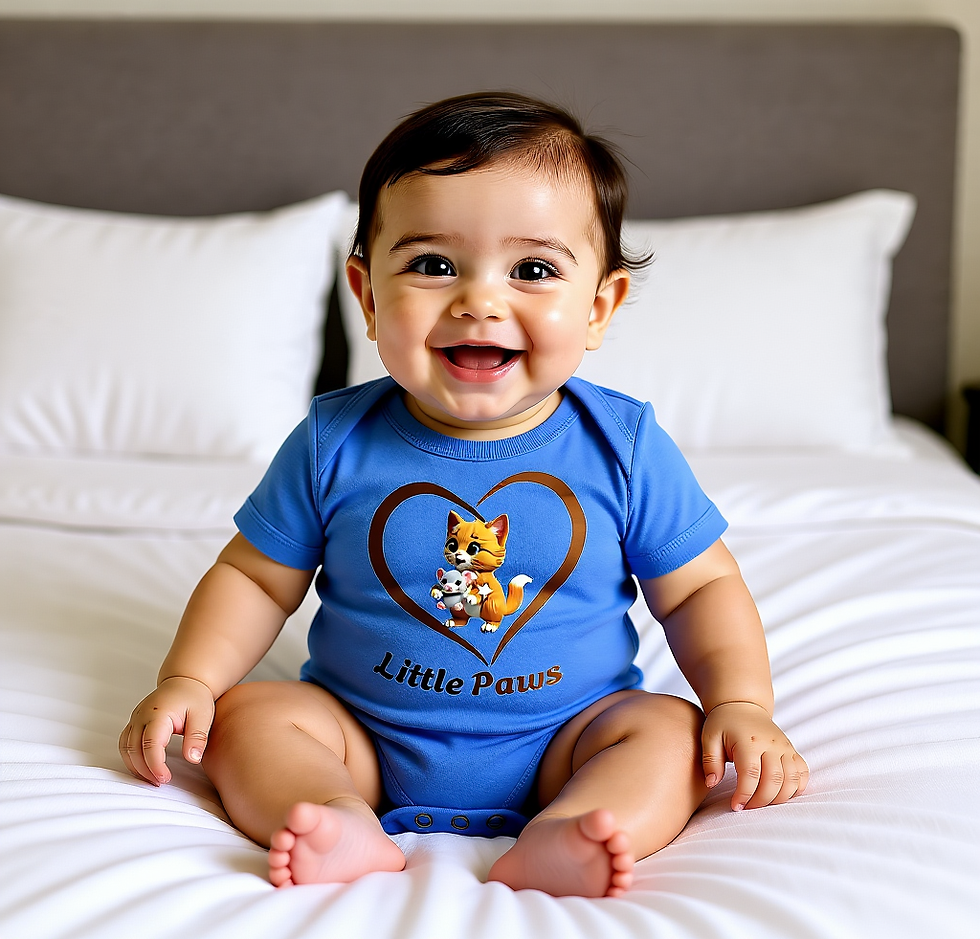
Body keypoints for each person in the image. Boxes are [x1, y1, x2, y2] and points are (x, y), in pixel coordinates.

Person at [119, 92, 809, 899]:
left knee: (670, 733)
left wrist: (740, 702)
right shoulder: (331, 442)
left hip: (571, 736)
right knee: (250, 718)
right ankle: (334, 817)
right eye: (433, 264)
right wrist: (192, 682)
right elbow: (252, 577)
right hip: (361, 738)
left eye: (533, 270)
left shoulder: (621, 445)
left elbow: (700, 587)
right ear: (368, 295)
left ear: (599, 307)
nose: (480, 300)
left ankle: (575, 828)